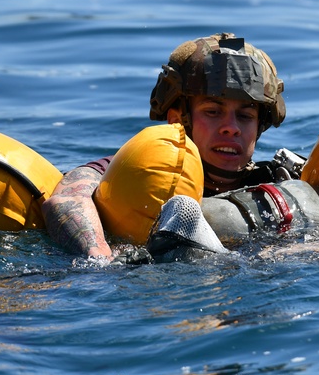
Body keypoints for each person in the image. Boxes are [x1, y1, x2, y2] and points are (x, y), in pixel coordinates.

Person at [42, 33, 290, 260]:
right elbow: (67, 199)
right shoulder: (129, 172)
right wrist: (99, 255)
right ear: (177, 120)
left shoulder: (280, 183)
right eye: (213, 112)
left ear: (260, 125)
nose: (231, 128)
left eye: (245, 116)